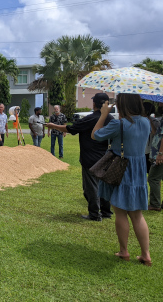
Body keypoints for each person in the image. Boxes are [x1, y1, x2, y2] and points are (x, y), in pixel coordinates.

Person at [92, 94, 152, 266]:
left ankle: (124, 251)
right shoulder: (146, 121)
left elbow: (95, 135)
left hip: (122, 169)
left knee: (120, 212)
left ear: (122, 104)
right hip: (139, 169)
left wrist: (103, 114)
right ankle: (145, 255)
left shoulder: (119, 124)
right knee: (137, 215)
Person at [46, 93, 113, 221]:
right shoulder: (111, 119)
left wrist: (52, 126)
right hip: (106, 157)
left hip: (90, 157)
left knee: (91, 187)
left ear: (94, 104)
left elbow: (71, 128)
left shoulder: (91, 118)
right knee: (104, 185)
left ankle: (94, 214)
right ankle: (106, 212)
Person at [148, 112, 163, 212]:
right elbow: (155, 132)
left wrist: (160, 153)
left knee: (153, 178)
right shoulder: (160, 119)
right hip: (156, 152)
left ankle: (155, 204)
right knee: (155, 178)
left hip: (159, 154)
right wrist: (149, 119)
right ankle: (154, 203)